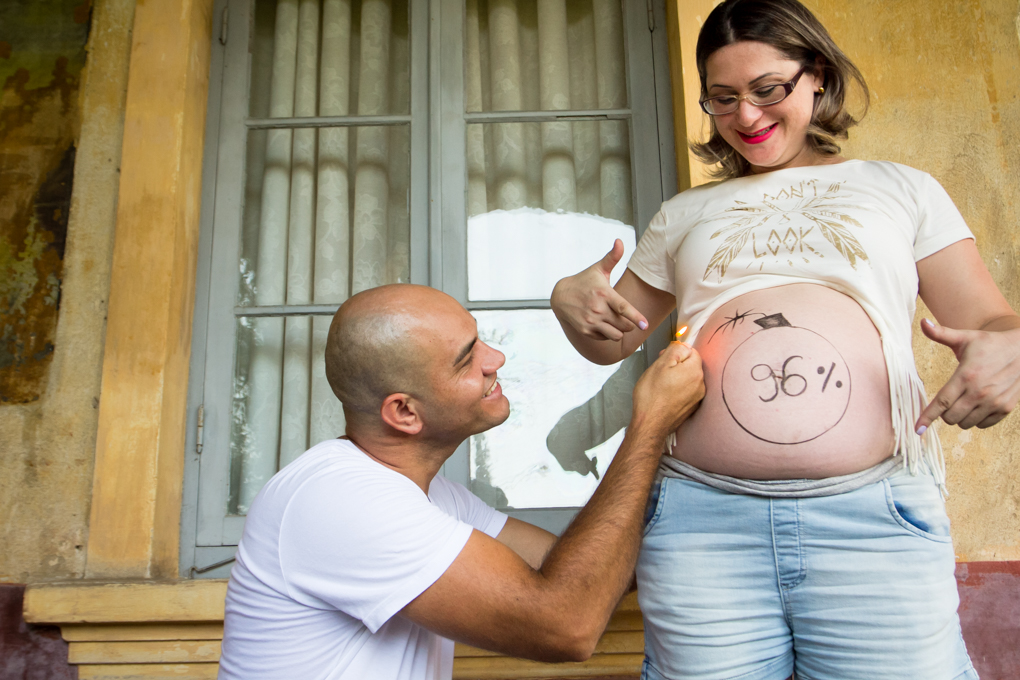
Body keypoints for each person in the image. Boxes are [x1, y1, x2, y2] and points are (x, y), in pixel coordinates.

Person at [550, 1, 1020, 678]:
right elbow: (609, 338)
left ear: (818, 77)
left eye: (769, 90)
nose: (746, 117)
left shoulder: (901, 190)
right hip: (701, 526)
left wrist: (1006, 347)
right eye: (723, 98)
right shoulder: (683, 215)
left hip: (873, 519)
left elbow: (992, 320)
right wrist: (568, 303)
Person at [217, 283, 704, 680]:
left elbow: (591, 572)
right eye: (467, 358)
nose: (496, 359)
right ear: (405, 412)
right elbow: (567, 624)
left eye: (481, 338)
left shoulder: (434, 498)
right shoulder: (340, 500)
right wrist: (649, 425)